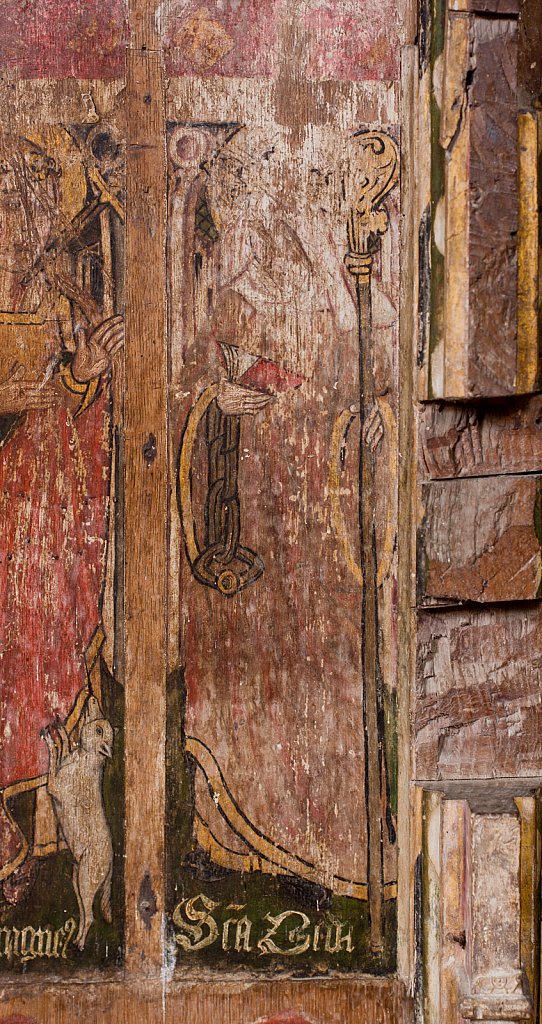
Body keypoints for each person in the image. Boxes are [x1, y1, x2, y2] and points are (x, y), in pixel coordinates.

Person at [0, 131, 123, 903]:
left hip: (33, 526)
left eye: (29, 195)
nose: (20, 212)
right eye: (12, 196)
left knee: (34, 658)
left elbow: (70, 415)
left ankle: (35, 827)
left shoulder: (60, 298)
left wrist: (83, 378)